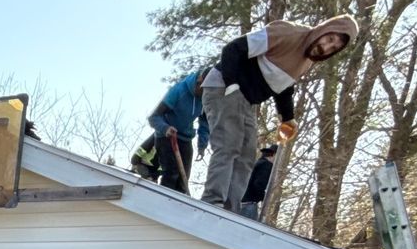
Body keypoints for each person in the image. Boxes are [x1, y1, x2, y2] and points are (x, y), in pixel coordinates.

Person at [199, 15, 357, 210]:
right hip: (223, 85)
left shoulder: (306, 61)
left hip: (247, 101)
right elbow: (233, 48)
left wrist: (288, 117)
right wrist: (232, 83)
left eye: (333, 48)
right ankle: (212, 202)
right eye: (329, 39)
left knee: (247, 155)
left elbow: (283, 88)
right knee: (229, 144)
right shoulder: (287, 33)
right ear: (324, 29)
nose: (326, 47)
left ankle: (230, 208)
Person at [146, 69, 210, 194]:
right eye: (205, 90)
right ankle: (163, 204)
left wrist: (202, 145)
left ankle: (178, 210)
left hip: (185, 139)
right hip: (166, 136)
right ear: (199, 82)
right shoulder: (178, 91)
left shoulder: (206, 98)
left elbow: (204, 123)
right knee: (171, 174)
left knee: (183, 180)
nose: (206, 94)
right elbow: (154, 117)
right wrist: (165, 128)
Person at [241, 145, 277, 218]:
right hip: (250, 203)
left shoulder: (259, 163)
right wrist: (263, 197)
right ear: (273, 155)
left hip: (243, 201)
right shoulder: (267, 165)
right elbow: (259, 184)